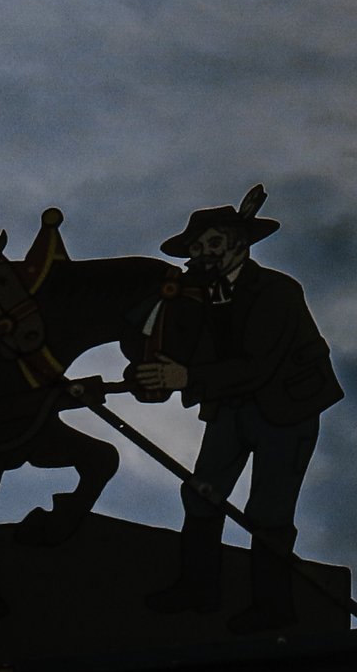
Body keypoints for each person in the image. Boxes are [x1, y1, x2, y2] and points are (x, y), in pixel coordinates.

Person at [126, 186, 343, 632]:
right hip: (230, 407)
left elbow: (259, 363)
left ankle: (273, 609)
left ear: (237, 244)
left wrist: (186, 378)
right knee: (201, 491)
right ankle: (198, 590)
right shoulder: (202, 297)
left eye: (212, 243)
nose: (202, 253)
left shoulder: (278, 291)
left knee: (269, 512)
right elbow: (192, 350)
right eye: (197, 246)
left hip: (287, 411)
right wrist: (153, 371)